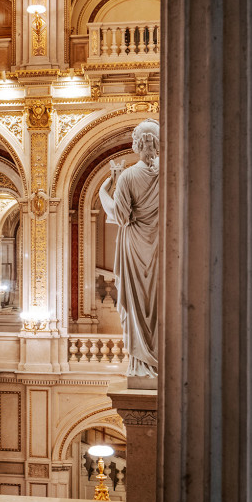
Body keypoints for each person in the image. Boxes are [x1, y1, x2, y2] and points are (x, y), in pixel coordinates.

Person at [98, 119, 160, 378]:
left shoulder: (128, 176)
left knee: (135, 301)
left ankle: (141, 363)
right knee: (158, 298)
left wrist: (105, 189)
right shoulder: (168, 173)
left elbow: (121, 217)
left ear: (137, 144)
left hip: (133, 246)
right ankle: (159, 356)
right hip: (159, 244)